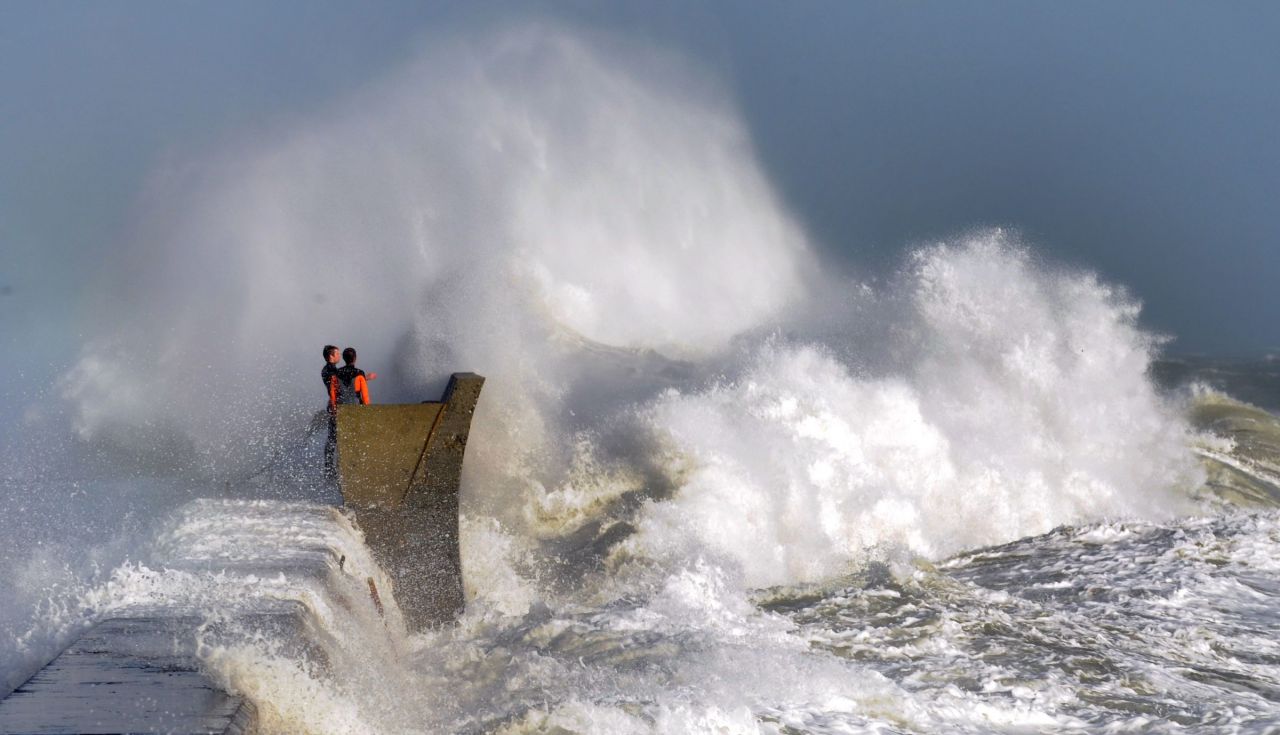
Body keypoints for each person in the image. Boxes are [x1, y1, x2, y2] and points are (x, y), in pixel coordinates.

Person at [321, 345, 341, 479]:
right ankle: (329, 470)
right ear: (331, 356)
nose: (339, 356)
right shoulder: (330, 370)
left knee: (333, 438)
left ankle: (329, 468)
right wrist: (364, 378)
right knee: (333, 438)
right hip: (335, 406)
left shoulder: (329, 369)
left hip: (334, 405)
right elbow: (337, 386)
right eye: (337, 354)